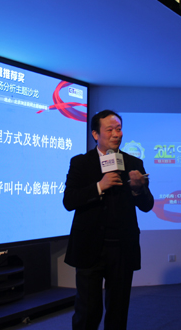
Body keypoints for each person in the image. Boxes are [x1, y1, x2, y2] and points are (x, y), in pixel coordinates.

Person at [63, 110, 154, 330]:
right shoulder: (81, 163)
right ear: (95, 134)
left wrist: (138, 189)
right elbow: (69, 200)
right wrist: (99, 186)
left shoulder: (133, 163)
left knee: (118, 311)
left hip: (122, 248)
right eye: (110, 129)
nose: (116, 134)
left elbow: (147, 205)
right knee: (87, 311)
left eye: (119, 129)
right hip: (89, 247)